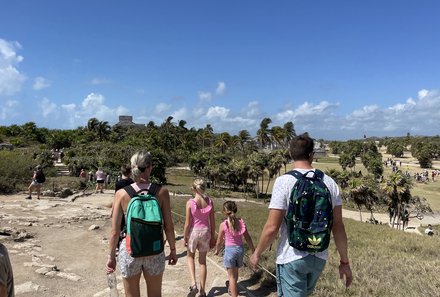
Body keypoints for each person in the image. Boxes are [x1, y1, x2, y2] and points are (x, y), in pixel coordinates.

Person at [249, 133, 352, 296]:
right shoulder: (330, 183)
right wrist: (344, 261)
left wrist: (257, 253)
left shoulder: (283, 182)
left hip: (291, 257)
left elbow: (272, 227)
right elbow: (338, 226)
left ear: (291, 154)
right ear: (311, 154)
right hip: (319, 258)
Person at [106, 151, 177, 297]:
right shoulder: (162, 192)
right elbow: (168, 227)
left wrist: (111, 257)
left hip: (130, 249)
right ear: (150, 167)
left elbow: (114, 231)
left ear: (133, 168)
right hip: (155, 250)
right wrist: (173, 251)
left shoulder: (121, 193)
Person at [214, 201, 255, 297]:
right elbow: (248, 237)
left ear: (224, 212)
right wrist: (253, 250)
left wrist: (217, 250)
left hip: (230, 251)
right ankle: (231, 289)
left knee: (231, 277)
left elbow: (219, 241)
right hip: (240, 250)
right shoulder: (241, 222)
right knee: (235, 273)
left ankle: (233, 293)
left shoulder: (223, 225)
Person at [184, 179, 216, 297]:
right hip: (206, 232)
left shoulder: (190, 202)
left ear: (193, 188)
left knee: (190, 257)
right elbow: (212, 221)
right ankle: (202, 291)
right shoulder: (209, 201)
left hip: (194, 232)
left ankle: (193, 284)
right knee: (202, 262)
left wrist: (185, 237)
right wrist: (212, 236)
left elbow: (187, 223)